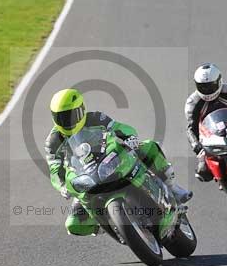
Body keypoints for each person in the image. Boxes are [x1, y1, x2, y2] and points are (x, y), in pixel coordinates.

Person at [45, 88, 192, 236]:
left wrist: (130, 138)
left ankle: (173, 188)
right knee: (73, 224)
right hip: (85, 177)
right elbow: (54, 168)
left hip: (110, 159)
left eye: (71, 115)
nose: (67, 121)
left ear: (81, 109)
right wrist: (62, 186)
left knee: (149, 147)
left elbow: (120, 128)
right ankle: (108, 225)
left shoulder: (96, 118)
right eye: (61, 117)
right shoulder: (53, 141)